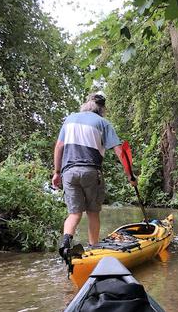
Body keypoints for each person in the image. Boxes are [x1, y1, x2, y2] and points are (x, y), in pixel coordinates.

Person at [53, 92, 135, 258]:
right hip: (91, 171)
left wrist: (57, 172)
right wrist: (130, 175)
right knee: (92, 213)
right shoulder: (103, 123)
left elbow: (59, 147)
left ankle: (66, 242)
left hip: (68, 173)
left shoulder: (69, 119)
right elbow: (119, 150)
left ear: (86, 104)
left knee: (74, 214)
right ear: (102, 108)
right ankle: (93, 249)